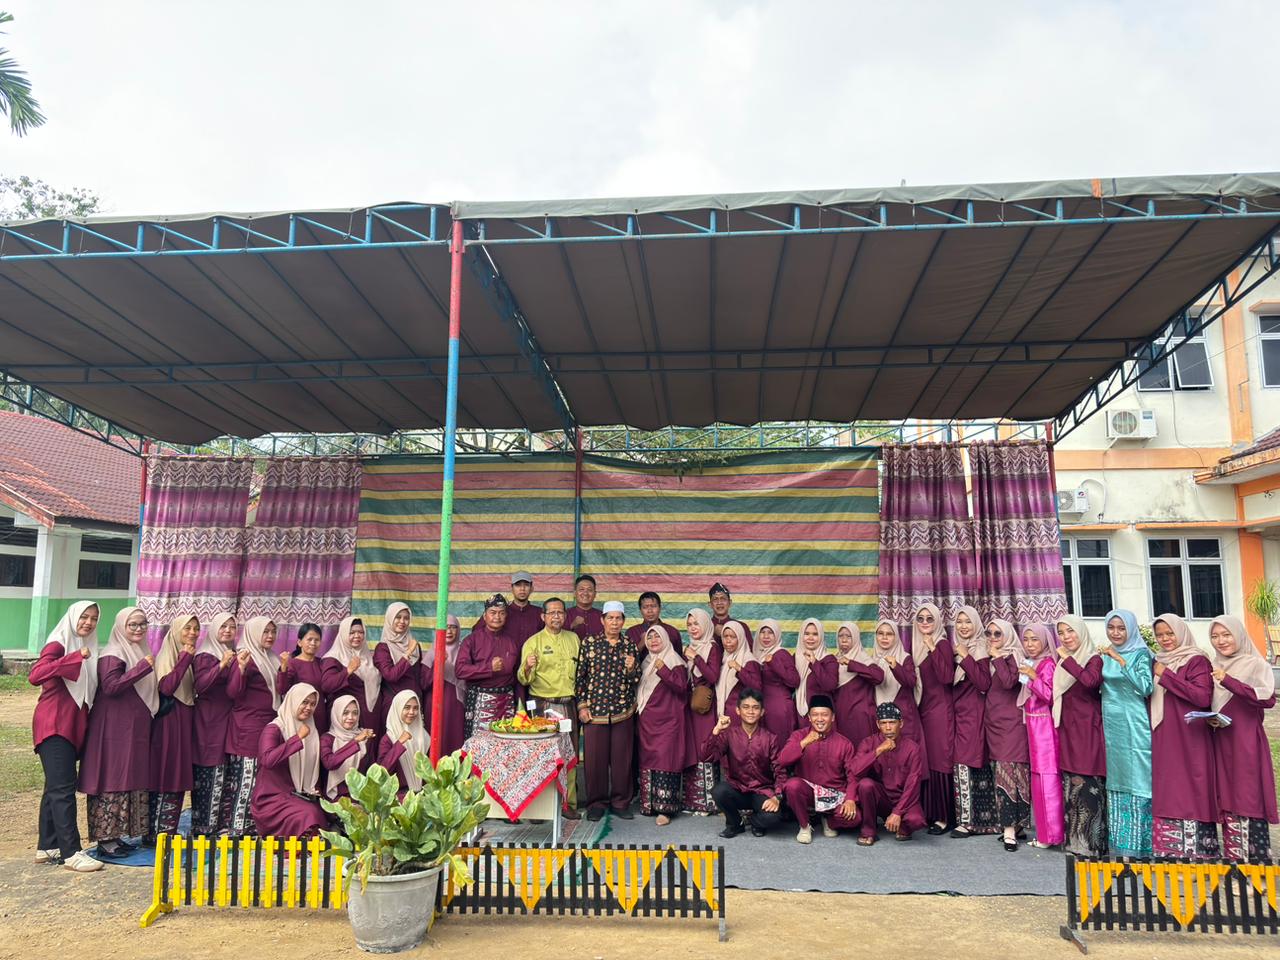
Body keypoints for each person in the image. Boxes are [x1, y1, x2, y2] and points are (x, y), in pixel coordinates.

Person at [29, 601, 102, 872]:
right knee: (63, 790)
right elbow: (35, 675)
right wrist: (73, 657)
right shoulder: (59, 643)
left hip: (70, 726)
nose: (88, 622)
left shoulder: (88, 647)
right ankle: (72, 853)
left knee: (55, 787)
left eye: (94, 618)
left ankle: (47, 846)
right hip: (54, 724)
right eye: (84, 616)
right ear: (73, 617)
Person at [79, 606, 153, 863]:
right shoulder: (113, 654)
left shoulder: (138, 651)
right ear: (121, 626)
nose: (139, 629)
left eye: (143, 624)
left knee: (127, 776)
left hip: (130, 728)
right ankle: (106, 840)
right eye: (133, 624)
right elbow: (111, 687)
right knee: (111, 777)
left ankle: (117, 835)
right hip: (112, 729)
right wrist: (141, 668)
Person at [1207, 615, 1277, 860]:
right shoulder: (1214, 664)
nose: (1221, 641)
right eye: (1215, 636)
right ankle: (1235, 861)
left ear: (1238, 635)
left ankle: (1257, 864)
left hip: (1246, 741)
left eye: (1226, 635)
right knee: (1227, 798)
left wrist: (1229, 680)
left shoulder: (1255, 664)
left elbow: (1267, 699)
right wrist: (1210, 718)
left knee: (1249, 796)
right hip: (1221, 739)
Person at [1149, 612, 1218, 858]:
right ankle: (1170, 852)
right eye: (1160, 635)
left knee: (1192, 787)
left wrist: (1166, 675)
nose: (1165, 639)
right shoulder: (1158, 660)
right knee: (1168, 788)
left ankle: (1198, 853)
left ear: (1181, 632)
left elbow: (1201, 697)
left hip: (1189, 735)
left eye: (1170, 633)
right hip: (1164, 733)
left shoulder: (1196, 660)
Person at [575, 600, 640, 820]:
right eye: (610, 618)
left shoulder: (629, 645)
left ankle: (621, 802)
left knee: (622, 761)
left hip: (623, 712)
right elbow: (580, 677)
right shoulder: (590, 643)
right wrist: (582, 706)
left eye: (618, 618)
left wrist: (631, 669)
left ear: (623, 621)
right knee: (595, 762)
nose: (614, 622)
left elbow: (636, 679)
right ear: (602, 620)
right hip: (595, 713)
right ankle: (596, 803)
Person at [1098, 608, 1154, 857]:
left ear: (1131, 629)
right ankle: (1122, 850)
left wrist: (1121, 661)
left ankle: (1142, 850)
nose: (1116, 633)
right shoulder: (1105, 655)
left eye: (1121, 628)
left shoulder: (1141, 654)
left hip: (1135, 724)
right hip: (1112, 726)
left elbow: (1145, 687)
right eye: (1111, 628)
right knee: (1117, 782)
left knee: (1139, 782)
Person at [519, 597, 582, 814]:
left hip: (568, 705)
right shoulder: (533, 642)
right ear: (543, 616)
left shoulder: (574, 639)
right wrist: (528, 667)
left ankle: (569, 804)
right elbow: (523, 679)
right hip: (542, 705)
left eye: (560, 612)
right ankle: (540, 808)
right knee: (542, 758)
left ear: (565, 615)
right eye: (552, 613)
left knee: (569, 755)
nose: (556, 616)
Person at [1053, 615, 1108, 857]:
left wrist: (1068, 660)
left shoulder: (1093, 658)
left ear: (1081, 632)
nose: (1066, 637)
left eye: (1070, 631)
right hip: (1069, 729)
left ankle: (1092, 846)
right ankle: (1074, 842)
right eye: (1061, 633)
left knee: (1088, 784)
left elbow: (1090, 682)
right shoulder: (1064, 661)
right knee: (1072, 785)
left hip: (1088, 730)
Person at [224, 616, 280, 837]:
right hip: (247, 727)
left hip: (267, 725)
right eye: (265, 631)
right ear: (254, 633)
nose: (270, 636)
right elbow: (233, 692)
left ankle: (251, 824)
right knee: (245, 779)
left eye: (273, 632)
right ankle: (237, 827)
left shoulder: (272, 658)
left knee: (259, 778)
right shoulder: (246, 657)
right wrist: (240, 668)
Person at [702, 689, 785, 838]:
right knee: (719, 791)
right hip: (737, 789)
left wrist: (776, 797)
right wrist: (716, 730)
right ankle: (735, 824)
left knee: (774, 816)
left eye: (755, 708)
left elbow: (780, 771)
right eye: (746, 707)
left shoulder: (770, 738)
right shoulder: (729, 734)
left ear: (762, 712)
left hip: (761, 791)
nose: (751, 712)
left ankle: (755, 822)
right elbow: (706, 757)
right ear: (738, 711)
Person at [778, 694, 860, 843]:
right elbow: (782, 760)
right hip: (809, 793)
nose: (820, 719)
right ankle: (805, 826)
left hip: (834, 795)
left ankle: (828, 820)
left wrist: (850, 799)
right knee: (792, 785)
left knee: (855, 818)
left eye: (824, 715)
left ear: (832, 717)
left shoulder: (844, 743)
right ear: (809, 717)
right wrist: (805, 742)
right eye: (815, 715)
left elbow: (852, 775)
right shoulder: (799, 736)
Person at [251, 683, 327, 838]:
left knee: (323, 812)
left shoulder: (311, 731)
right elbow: (267, 760)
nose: (308, 708)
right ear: (293, 701)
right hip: (272, 797)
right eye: (304, 702)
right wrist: (297, 739)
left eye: (313, 704)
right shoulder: (274, 728)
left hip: (298, 795)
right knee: (310, 814)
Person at [636, 625, 694, 825]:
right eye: (650, 637)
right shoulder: (646, 661)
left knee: (666, 760)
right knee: (648, 760)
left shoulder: (674, 661)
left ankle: (665, 809)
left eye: (657, 637)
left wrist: (663, 669)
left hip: (669, 721)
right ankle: (649, 804)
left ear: (666, 639)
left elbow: (681, 687)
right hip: (648, 720)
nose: (653, 640)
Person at [148, 613, 199, 843]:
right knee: (166, 771)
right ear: (176, 630)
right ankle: (156, 831)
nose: (192, 633)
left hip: (184, 719)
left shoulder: (189, 656)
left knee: (178, 772)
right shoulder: (167, 656)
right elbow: (167, 688)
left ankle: (167, 829)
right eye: (187, 628)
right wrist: (184, 659)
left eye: (195, 629)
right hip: (168, 721)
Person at [982, 618, 1031, 852]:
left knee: (1012, 772)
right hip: (995, 724)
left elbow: (1010, 682)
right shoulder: (992, 658)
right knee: (1003, 771)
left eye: (997, 634)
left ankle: (1009, 830)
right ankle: (1016, 825)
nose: (992, 638)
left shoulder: (1015, 657)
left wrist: (998, 657)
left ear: (1008, 635)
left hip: (1013, 725)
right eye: (989, 633)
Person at [849, 702, 927, 845]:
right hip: (882, 798)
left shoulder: (912, 748)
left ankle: (902, 826)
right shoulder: (868, 743)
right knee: (865, 784)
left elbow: (913, 784)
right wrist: (878, 751)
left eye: (892, 722)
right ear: (878, 724)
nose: (888, 727)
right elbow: (855, 769)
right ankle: (868, 831)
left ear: (901, 723)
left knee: (916, 820)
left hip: (904, 800)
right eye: (884, 723)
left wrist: (898, 811)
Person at [949, 604, 996, 838]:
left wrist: (966, 656)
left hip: (973, 714)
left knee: (965, 761)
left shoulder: (980, 648)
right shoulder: (955, 647)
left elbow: (983, 683)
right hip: (957, 714)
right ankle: (973, 821)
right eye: (959, 622)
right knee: (963, 763)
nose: (963, 626)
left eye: (968, 621)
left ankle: (967, 822)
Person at [191, 612, 237, 836]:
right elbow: (200, 685)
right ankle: (203, 826)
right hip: (208, 719)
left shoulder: (231, 653)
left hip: (226, 718)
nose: (228, 631)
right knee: (208, 768)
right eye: (223, 626)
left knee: (224, 772)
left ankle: (219, 823)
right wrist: (222, 665)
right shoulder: (205, 655)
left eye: (232, 627)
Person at [911, 602, 955, 835]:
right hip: (923, 709)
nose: (925, 623)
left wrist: (932, 648)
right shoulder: (915, 645)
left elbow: (946, 677)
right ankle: (929, 812)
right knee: (926, 760)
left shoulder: (942, 644)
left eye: (930, 619)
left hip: (940, 710)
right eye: (921, 619)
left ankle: (944, 816)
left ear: (937, 621)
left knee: (940, 761)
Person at [1019, 623, 1063, 849]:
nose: (1029, 644)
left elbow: (1050, 695)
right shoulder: (1031, 662)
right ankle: (1044, 834)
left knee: (1048, 780)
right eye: (1026, 639)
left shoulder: (1048, 664)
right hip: (1032, 725)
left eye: (1034, 639)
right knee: (1038, 780)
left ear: (1045, 640)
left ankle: (1053, 835)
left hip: (1045, 728)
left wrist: (1033, 676)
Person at [456, 594, 521, 738]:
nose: (497, 617)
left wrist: (520, 706)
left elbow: (517, 676)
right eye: (493, 612)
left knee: (506, 744)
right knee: (478, 744)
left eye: (501, 613)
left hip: (507, 702)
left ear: (506, 616)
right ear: (485, 616)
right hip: (480, 700)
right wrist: (488, 668)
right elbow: (460, 670)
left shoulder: (511, 642)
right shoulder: (471, 640)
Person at [682, 608, 722, 814]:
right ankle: (693, 801)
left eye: (696, 623)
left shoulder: (712, 647)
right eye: (689, 625)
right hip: (691, 706)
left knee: (705, 748)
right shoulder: (690, 646)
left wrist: (696, 657)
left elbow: (713, 676)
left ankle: (709, 802)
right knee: (693, 750)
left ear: (706, 624)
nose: (693, 628)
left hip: (705, 708)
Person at [320, 616, 381, 735]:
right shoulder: (333, 658)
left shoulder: (368, 658)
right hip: (347, 719)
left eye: (361, 632)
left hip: (371, 717)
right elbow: (327, 685)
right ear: (343, 634)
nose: (357, 636)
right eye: (352, 632)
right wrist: (348, 670)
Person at [871, 618, 923, 750]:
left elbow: (911, 682)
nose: (884, 637)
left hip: (904, 717)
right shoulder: (871, 660)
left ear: (896, 636)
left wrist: (895, 666)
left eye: (889, 634)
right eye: (880, 633)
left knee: (905, 753)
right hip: (880, 718)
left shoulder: (904, 658)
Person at [421, 614, 466, 755]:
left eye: (453, 627)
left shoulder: (464, 652)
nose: (449, 631)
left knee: (454, 739)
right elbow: (424, 683)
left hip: (456, 705)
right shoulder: (432, 653)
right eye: (446, 628)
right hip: (434, 703)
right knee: (436, 738)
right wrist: (438, 663)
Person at [833, 621, 881, 745]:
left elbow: (878, 676)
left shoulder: (863, 658)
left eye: (848, 636)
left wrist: (851, 663)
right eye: (841, 636)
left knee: (862, 751)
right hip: (840, 715)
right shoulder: (834, 659)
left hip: (860, 717)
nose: (844, 639)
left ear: (855, 638)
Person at [321, 695, 375, 801]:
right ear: (336, 714)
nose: (351, 717)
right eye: (345, 713)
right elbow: (330, 763)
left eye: (355, 713)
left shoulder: (365, 737)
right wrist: (355, 741)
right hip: (337, 798)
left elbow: (372, 771)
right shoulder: (327, 739)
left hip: (362, 797)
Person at [373, 602, 420, 724]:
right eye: (398, 617)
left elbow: (417, 678)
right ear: (390, 619)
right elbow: (390, 676)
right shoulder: (382, 648)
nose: (402, 621)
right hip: (393, 705)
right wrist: (408, 653)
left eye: (406, 618)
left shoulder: (414, 645)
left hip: (413, 707)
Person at [378, 690, 431, 796]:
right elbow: (382, 772)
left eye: (415, 708)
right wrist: (399, 744)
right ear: (398, 708)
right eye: (406, 707)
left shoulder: (424, 737)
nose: (411, 712)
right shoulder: (389, 738)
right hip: (398, 797)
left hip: (423, 796)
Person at [755, 618, 800, 741]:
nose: (766, 636)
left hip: (779, 708)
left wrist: (773, 663)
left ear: (777, 635)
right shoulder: (757, 654)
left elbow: (794, 681)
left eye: (770, 632)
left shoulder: (781, 654)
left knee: (779, 743)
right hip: (762, 707)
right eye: (763, 632)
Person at [278, 623, 327, 728]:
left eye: (317, 640)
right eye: (309, 639)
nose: (313, 643)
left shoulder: (322, 663)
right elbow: (282, 689)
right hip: (301, 717)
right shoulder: (292, 663)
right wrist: (283, 667)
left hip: (320, 716)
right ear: (300, 642)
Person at [473, 572, 543, 645]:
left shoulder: (540, 614)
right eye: (518, 585)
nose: (522, 589)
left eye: (526, 585)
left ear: (531, 589)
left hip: (533, 652)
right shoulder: (500, 612)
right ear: (511, 588)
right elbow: (476, 632)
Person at [715, 620, 761, 715]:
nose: (728, 641)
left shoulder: (749, 661)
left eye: (732, 637)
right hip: (724, 715)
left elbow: (757, 687)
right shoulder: (724, 659)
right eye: (725, 636)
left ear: (740, 638)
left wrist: (739, 669)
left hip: (740, 716)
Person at [793, 618, 836, 718]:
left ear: (821, 636)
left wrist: (814, 662)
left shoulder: (829, 659)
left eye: (815, 634)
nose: (810, 638)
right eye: (807, 633)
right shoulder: (795, 658)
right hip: (798, 715)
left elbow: (830, 685)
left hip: (821, 716)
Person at [625, 591, 682, 657]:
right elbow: (626, 659)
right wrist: (642, 643)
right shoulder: (631, 633)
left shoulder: (672, 632)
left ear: (660, 608)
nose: (650, 611)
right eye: (645, 607)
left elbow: (679, 659)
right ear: (640, 610)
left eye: (653, 606)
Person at [709, 582, 753, 650]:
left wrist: (725, 633)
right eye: (715, 599)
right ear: (710, 604)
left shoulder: (742, 627)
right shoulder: (705, 627)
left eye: (723, 599)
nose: (719, 603)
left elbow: (750, 651)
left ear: (730, 603)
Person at [567, 574, 604, 640]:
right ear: (574, 593)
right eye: (581, 589)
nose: (585, 593)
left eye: (589, 590)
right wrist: (572, 626)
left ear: (595, 594)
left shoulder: (603, 617)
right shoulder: (565, 615)